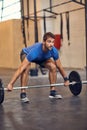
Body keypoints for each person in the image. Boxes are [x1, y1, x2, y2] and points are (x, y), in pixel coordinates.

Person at [7, 32, 69, 103]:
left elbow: (59, 66)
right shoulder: (35, 51)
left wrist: (66, 79)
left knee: (53, 66)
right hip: (26, 53)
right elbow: (21, 68)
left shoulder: (53, 50)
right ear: (43, 42)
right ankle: (23, 93)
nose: (51, 44)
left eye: (53, 42)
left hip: (41, 58)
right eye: (49, 42)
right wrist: (11, 84)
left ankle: (52, 91)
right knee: (26, 68)